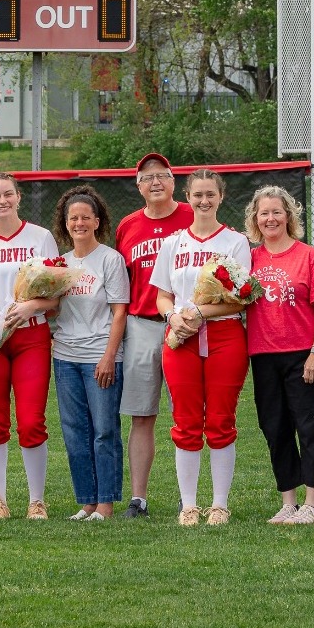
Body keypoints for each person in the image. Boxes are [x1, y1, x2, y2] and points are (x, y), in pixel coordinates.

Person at [153, 168, 253, 526]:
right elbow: (162, 296)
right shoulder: (173, 242)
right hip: (181, 339)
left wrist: (198, 309)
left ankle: (220, 504)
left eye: (210, 194)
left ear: (221, 197)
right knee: (186, 421)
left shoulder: (235, 242)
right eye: (197, 194)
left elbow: (242, 300)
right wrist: (172, 317)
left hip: (225, 336)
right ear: (188, 197)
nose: (204, 200)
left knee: (222, 420)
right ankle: (189, 505)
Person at [0, 172, 61, 521]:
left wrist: (32, 306)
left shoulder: (40, 237)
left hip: (31, 333)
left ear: (19, 197)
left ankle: (36, 500)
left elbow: (55, 295)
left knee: (31, 420)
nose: (2, 201)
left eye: (8, 194)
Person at [245, 185, 314, 525]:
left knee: (309, 427)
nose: (270, 218)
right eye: (264, 213)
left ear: (288, 216)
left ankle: (312, 504)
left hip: (303, 353)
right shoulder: (249, 259)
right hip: (264, 355)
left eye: (277, 212)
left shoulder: (307, 255)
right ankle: (289, 501)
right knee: (276, 428)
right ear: (256, 219)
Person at [112, 152, 193, 518]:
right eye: (148, 177)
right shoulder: (128, 225)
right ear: (138, 185)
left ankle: (186, 494)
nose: (156, 182)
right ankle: (138, 498)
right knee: (141, 414)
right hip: (142, 323)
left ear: (174, 182)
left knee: (186, 414)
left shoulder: (193, 215)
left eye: (163, 175)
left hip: (187, 324)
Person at [50, 185, 129, 520]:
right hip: (65, 356)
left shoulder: (110, 259)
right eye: (73, 218)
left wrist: (109, 356)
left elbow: (120, 311)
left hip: (100, 355)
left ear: (97, 221)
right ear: (65, 223)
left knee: (104, 430)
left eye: (85, 217)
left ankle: (107, 503)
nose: (79, 223)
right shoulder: (59, 264)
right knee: (74, 430)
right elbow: (53, 310)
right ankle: (87, 501)